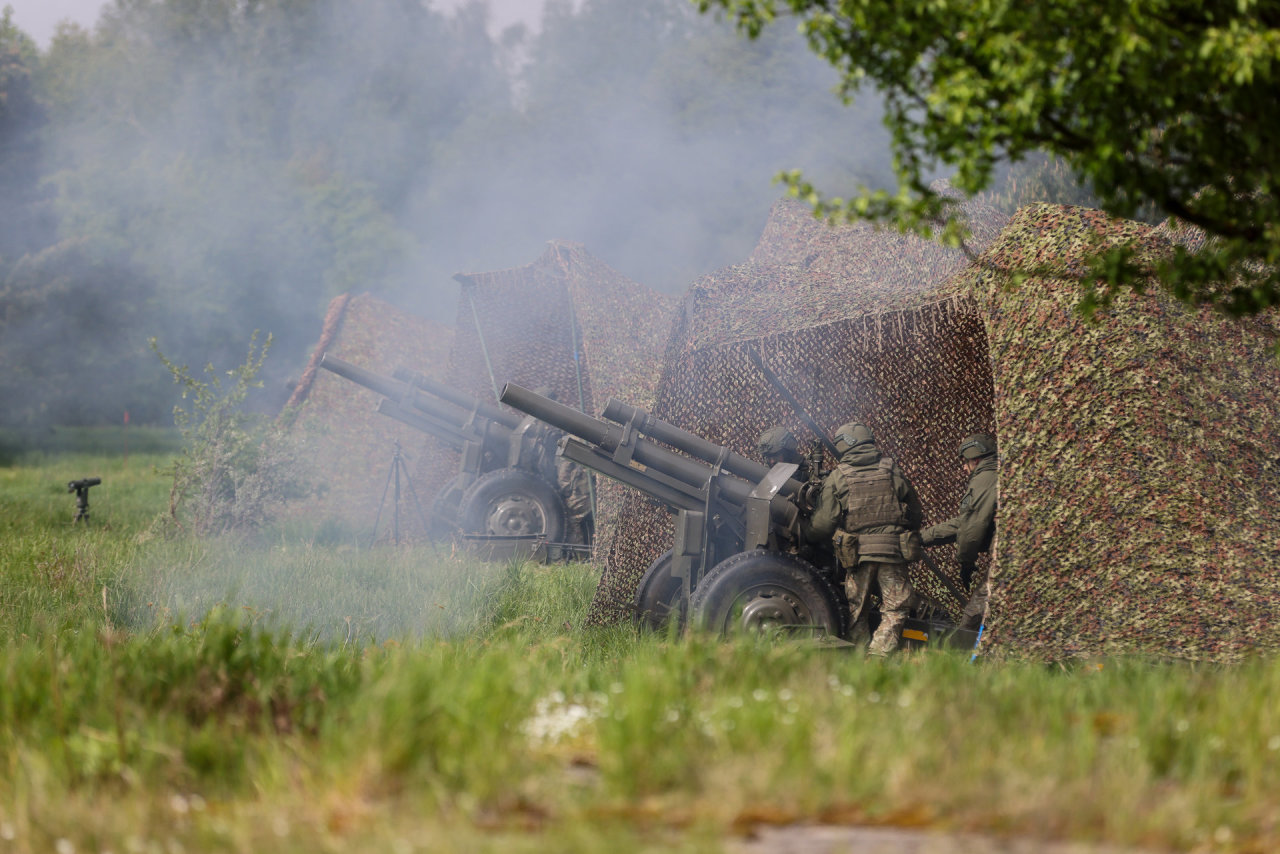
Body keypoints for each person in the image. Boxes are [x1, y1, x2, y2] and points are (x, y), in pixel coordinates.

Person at [804, 422, 923, 655]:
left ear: (843, 446)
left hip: (858, 554)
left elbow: (823, 524)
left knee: (857, 608)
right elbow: (915, 512)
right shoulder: (891, 469)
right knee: (896, 607)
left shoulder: (839, 477)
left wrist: (808, 534)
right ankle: (879, 654)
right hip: (892, 551)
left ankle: (857, 654)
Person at [921, 433, 998, 631]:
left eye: (965, 462)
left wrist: (966, 561)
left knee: (973, 616)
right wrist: (924, 537)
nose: (964, 468)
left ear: (976, 459)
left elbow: (971, 527)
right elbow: (965, 523)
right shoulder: (999, 474)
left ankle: (959, 655)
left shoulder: (985, 479)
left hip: (1009, 559)